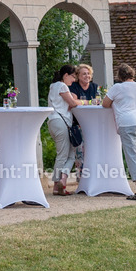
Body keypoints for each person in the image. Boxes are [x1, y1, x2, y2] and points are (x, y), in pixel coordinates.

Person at [103, 63, 136, 201]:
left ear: (119, 75)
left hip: (128, 123)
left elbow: (105, 104)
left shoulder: (117, 87)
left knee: (133, 156)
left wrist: (115, 103)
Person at [47, 64, 81, 196]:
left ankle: (61, 181)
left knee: (71, 155)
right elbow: (72, 103)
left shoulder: (53, 86)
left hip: (54, 122)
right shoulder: (62, 86)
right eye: (73, 77)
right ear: (66, 75)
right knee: (63, 155)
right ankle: (56, 186)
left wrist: (73, 98)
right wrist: (84, 102)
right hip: (61, 122)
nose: (74, 80)